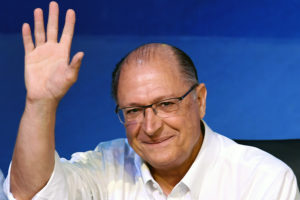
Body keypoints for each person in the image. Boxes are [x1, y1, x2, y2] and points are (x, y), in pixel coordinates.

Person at [3, 1, 300, 200]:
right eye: (133, 110)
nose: (150, 126)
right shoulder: (106, 168)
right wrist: (39, 104)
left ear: (200, 100)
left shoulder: (262, 180)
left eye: (167, 104)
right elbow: (30, 194)